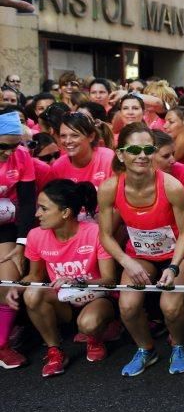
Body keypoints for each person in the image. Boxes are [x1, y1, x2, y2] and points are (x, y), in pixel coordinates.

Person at [97, 122, 184, 376]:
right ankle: (146, 349)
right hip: (139, 256)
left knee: (170, 307)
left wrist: (174, 267)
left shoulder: (172, 186)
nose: (142, 155)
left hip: (178, 252)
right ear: (121, 154)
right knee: (128, 306)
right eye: (134, 149)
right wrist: (126, 262)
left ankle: (178, 345)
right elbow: (105, 235)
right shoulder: (109, 188)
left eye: (147, 149)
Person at [6, 180, 116, 376]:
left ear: (65, 212)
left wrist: (77, 281)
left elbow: (109, 279)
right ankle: (55, 350)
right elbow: (35, 276)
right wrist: (17, 287)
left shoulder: (95, 233)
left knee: (88, 323)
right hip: (62, 301)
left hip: (97, 298)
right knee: (32, 294)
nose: (37, 214)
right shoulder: (35, 235)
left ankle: (95, 337)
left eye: (44, 209)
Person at [0, 111, 37, 368]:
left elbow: (26, 203)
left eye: (16, 145)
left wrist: (23, 242)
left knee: (8, 280)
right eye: (4, 146)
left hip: (7, 226)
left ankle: (2, 345)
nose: (11, 152)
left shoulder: (21, 155)